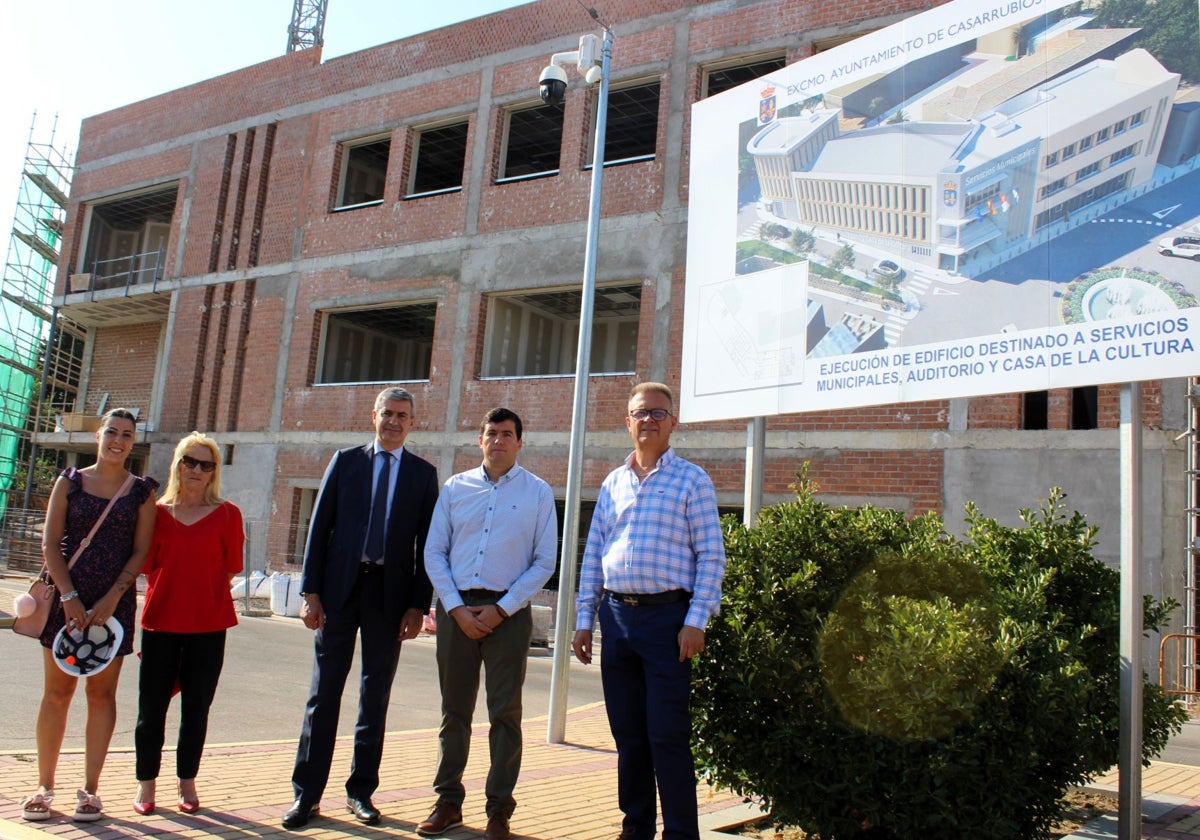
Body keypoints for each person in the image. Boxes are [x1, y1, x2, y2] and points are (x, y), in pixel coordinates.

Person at [572, 382, 727, 840]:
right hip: (616, 620)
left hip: (668, 622)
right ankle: (635, 827)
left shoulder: (692, 479)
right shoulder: (612, 482)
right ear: (628, 421)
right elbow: (594, 553)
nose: (649, 421)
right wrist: (585, 618)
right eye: (640, 413)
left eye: (658, 413)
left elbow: (711, 557)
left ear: (673, 422)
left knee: (667, 736)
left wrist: (696, 620)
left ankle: (681, 833)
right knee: (630, 737)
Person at [283, 387, 440, 830]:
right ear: (374, 416)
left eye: (402, 416)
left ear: (413, 423)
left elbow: (425, 546)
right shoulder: (345, 461)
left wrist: (417, 605)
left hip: (389, 598)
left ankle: (360, 793)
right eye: (387, 413)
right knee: (323, 694)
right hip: (338, 592)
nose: (394, 421)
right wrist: (310, 593)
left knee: (375, 695)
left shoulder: (422, 475)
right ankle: (307, 796)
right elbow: (320, 529)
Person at [417, 408, 558, 840]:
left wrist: (501, 609)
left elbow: (544, 561)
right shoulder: (455, 488)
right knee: (453, 713)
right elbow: (434, 552)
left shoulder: (538, 493)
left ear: (520, 442)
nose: (498, 440)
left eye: (507, 434)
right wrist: (456, 609)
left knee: (505, 715)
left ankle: (499, 811)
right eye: (491, 433)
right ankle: (448, 803)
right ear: (480, 440)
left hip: (509, 615)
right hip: (457, 612)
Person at [20, 408, 158, 823]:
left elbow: (141, 551)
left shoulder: (142, 491)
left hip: (112, 608)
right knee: (57, 695)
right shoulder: (70, 482)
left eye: (127, 435)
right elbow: (50, 544)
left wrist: (113, 598)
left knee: (101, 696)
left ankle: (91, 792)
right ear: (98, 435)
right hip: (67, 602)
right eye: (112, 432)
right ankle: (44, 788)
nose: (118, 440)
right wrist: (70, 597)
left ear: (134, 442)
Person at [132, 432, 244, 816]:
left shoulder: (229, 514)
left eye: (206, 464)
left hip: (208, 627)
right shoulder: (156, 513)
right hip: (160, 623)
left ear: (214, 471)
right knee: (151, 711)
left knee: (196, 710)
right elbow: (145, 565)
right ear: (177, 464)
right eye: (189, 462)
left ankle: (187, 783)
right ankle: (146, 786)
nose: (197, 470)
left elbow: (230, 568)